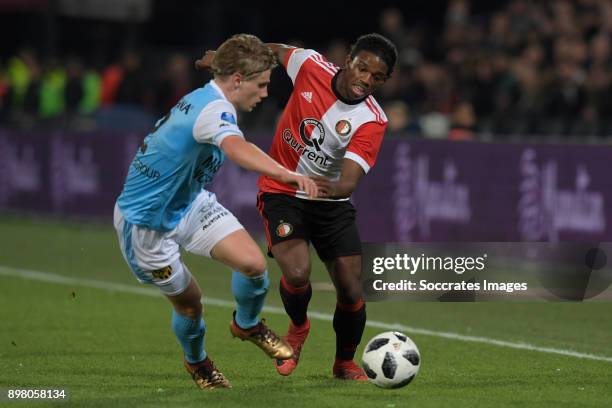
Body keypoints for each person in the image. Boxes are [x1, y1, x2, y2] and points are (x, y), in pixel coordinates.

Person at [113, 34, 318, 390]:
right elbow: (237, 148)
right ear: (237, 80)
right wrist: (286, 173)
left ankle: (248, 324)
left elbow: (233, 67)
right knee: (191, 304)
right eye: (261, 84)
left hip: (188, 202)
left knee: (254, 265)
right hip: (147, 225)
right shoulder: (213, 110)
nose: (265, 93)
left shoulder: (213, 94)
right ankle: (198, 364)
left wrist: (221, 59)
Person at [258, 34, 397, 380]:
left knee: (351, 287)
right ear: (348, 60)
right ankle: (298, 328)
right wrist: (232, 59)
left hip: (330, 201)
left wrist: (330, 188)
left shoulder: (372, 119)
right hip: (283, 191)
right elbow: (273, 51)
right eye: (362, 68)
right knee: (297, 273)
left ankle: (344, 363)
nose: (366, 80)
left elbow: (348, 183)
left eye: (376, 77)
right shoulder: (309, 65)